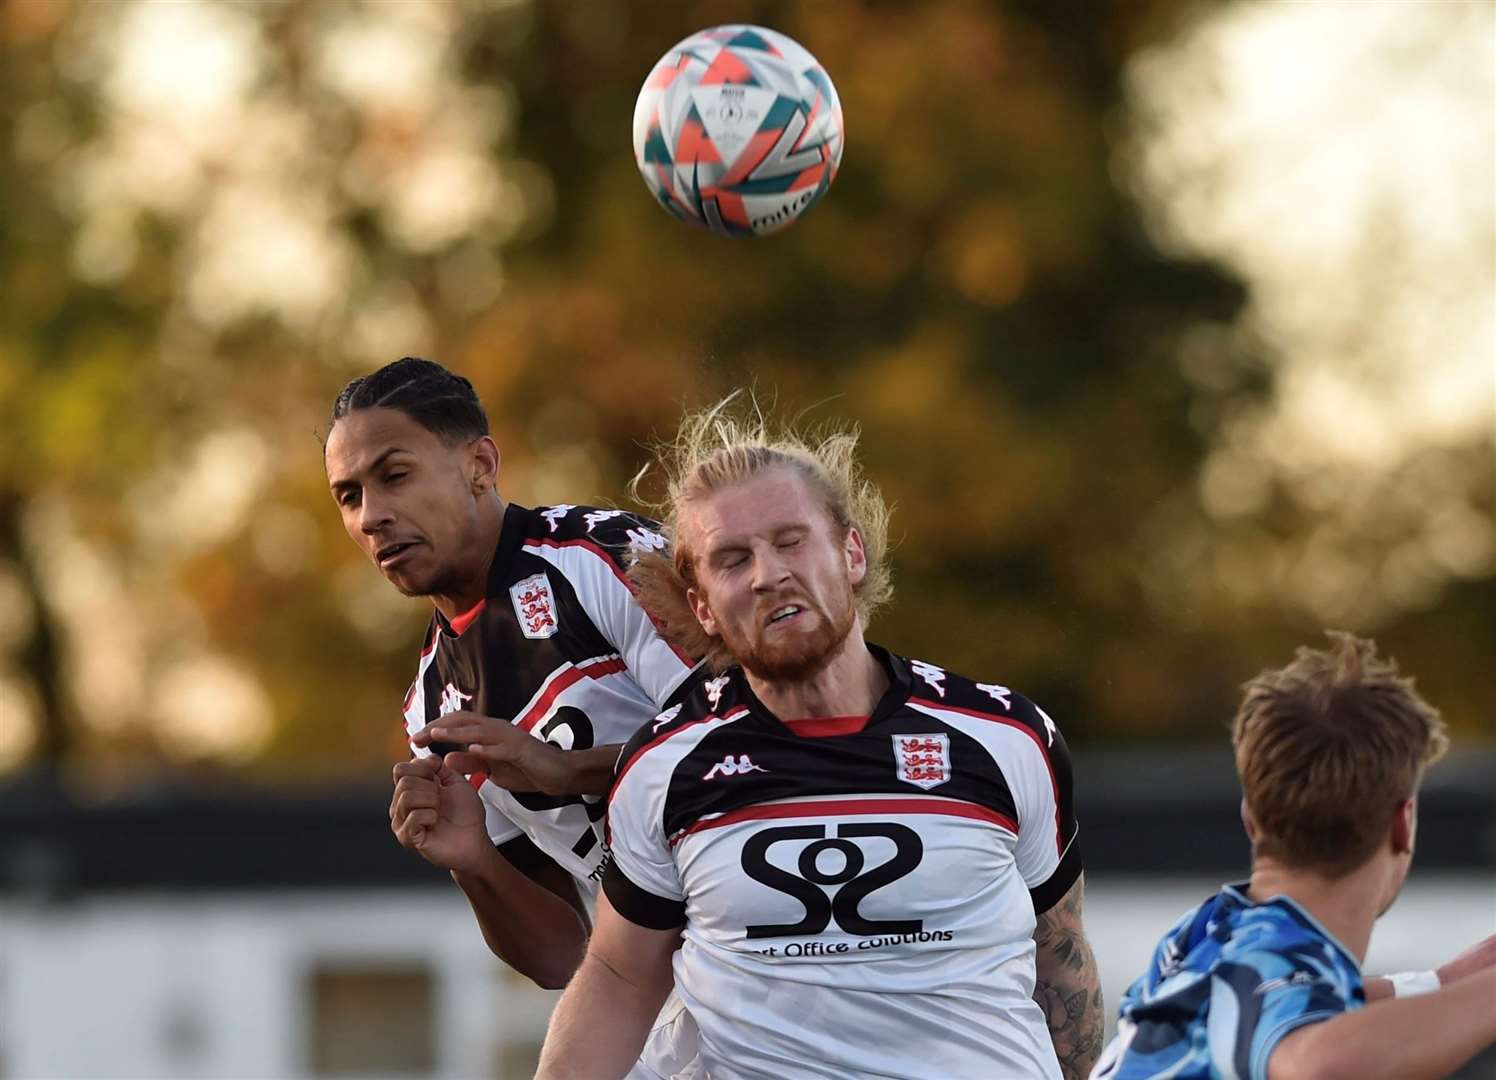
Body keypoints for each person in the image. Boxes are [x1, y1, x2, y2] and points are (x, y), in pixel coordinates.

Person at [535, 397, 1105, 1080]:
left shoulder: (1006, 736)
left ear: (852, 553)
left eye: (789, 540)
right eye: (731, 558)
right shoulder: (665, 763)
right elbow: (621, 979)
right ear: (702, 608)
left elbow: (1061, 953)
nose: (767, 574)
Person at [323, 357, 702, 1076]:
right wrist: (474, 863)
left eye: (393, 475)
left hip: (779, 956)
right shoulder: (430, 705)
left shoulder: (604, 556)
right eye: (348, 496)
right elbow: (563, 956)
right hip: (658, 1022)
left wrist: (567, 769)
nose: (371, 516)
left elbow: (759, 745)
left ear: (480, 464)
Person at [1090, 632, 1496, 1080]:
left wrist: (1442, 983)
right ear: (1403, 823)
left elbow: (1284, 998)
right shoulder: (1271, 960)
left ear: (1249, 817)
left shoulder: (1203, 936)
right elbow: (1319, 1063)